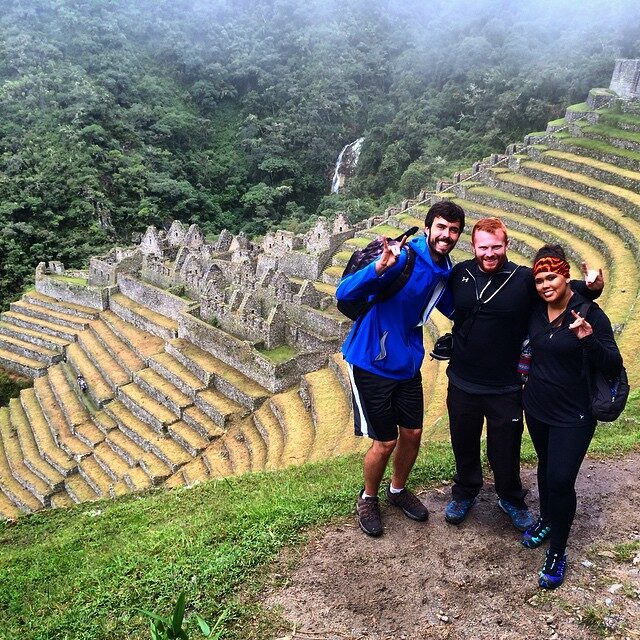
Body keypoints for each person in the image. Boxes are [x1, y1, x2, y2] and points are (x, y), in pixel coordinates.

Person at [443, 218, 603, 531]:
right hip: (462, 379)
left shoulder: (523, 279)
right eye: (483, 247)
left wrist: (593, 289)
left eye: (496, 247)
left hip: (505, 385)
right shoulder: (459, 273)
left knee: (505, 447)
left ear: (507, 245)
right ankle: (465, 491)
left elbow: (558, 289)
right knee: (463, 440)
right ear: (473, 247)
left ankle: (511, 498)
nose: (490, 253)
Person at [336, 200, 465, 537]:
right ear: (428, 228)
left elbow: (456, 309)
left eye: (453, 231)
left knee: (413, 434)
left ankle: (397, 489)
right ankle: (368, 497)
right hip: (370, 360)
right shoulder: (403, 258)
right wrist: (378, 269)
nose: (446, 235)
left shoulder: (445, 271)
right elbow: (343, 291)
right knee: (385, 441)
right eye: (441, 227)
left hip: (407, 364)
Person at [522, 244, 622, 589]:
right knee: (546, 466)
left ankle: (558, 551)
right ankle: (547, 518)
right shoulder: (536, 308)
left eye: (552, 277)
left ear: (566, 277)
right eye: (539, 279)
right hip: (536, 406)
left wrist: (588, 340)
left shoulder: (589, 314)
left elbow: (613, 365)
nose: (545, 285)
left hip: (573, 413)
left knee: (562, 479)